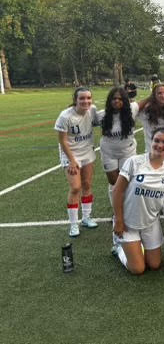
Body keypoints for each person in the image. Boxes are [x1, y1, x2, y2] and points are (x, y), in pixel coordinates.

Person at [112, 127, 164, 275]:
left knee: (154, 265)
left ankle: (136, 247)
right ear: (151, 141)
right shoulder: (135, 162)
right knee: (138, 269)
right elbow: (117, 191)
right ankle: (119, 248)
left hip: (150, 222)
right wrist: (119, 220)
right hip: (128, 222)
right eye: (157, 140)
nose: (160, 145)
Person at [54, 87, 100, 237]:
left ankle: (86, 218)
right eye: (82, 98)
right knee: (75, 187)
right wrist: (72, 161)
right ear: (75, 99)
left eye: (88, 98)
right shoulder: (65, 116)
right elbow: (62, 141)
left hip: (87, 152)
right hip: (71, 154)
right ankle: (73, 225)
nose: (85, 101)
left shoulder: (92, 110)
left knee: (87, 184)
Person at [99, 87, 139, 209]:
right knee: (113, 183)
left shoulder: (132, 109)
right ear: (109, 100)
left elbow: (149, 100)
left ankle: (127, 208)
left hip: (128, 151)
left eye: (120, 99)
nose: (117, 101)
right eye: (114, 98)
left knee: (127, 181)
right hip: (108, 153)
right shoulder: (101, 115)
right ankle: (116, 209)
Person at [138, 83, 164, 164]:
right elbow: (134, 107)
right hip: (153, 151)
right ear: (154, 95)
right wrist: (149, 99)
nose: (163, 95)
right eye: (159, 93)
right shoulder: (146, 111)